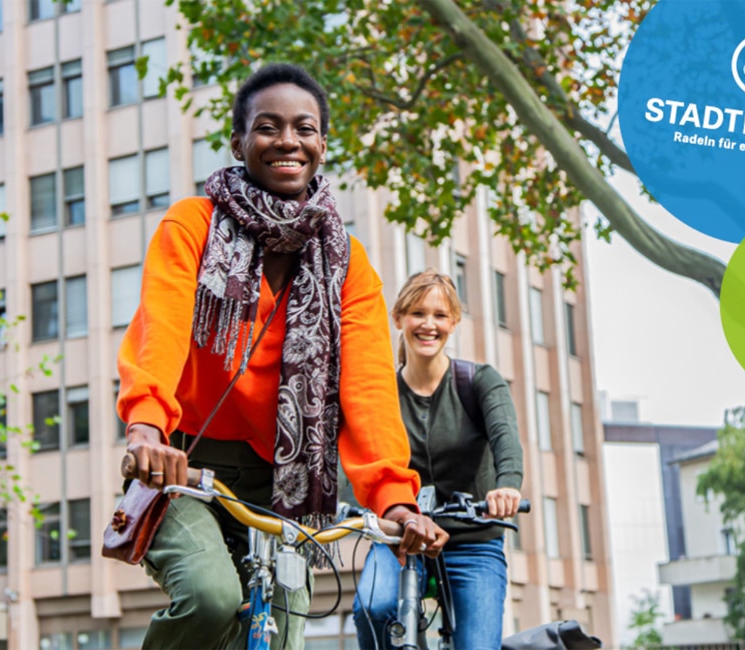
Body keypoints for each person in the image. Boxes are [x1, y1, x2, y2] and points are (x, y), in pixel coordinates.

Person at [117, 63, 449, 649]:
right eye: (268, 127)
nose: (288, 140)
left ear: (322, 144)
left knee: (287, 631)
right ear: (239, 141)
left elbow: (369, 388)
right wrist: (146, 428)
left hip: (283, 484)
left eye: (305, 128)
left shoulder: (347, 262)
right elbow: (160, 330)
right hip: (186, 466)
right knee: (211, 598)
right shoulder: (192, 225)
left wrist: (394, 499)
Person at [352, 270, 525, 650]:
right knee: (372, 607)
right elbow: (361, 456)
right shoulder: (382, 394)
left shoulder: (480, 382)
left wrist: (507, 486)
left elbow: (505, 441)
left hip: (472, 540)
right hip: (400, 536)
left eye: (440, 315)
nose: (428, 324)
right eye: (417, 313)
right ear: (398, 319)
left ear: (454, 323)